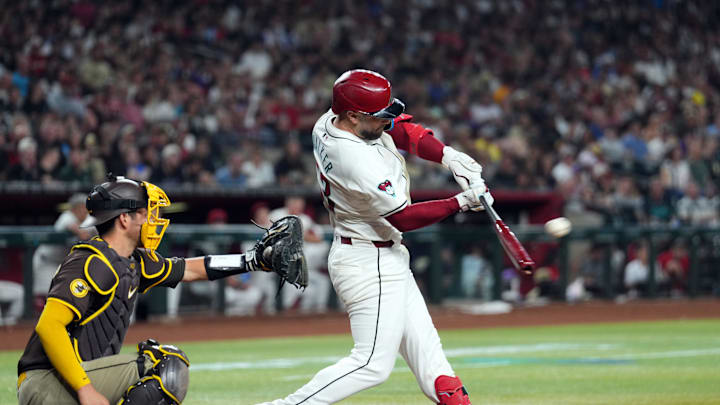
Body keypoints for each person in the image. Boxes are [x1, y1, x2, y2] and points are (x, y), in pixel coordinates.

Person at [260, 69, 492, 405]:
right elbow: (404, 218)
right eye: (378, 116)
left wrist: (448, 155)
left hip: (383, 254)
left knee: (434, 366)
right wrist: (461, 202)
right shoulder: (354, 159)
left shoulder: (332, 119)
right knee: (372, 364)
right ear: (353, 116)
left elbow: (402, 129)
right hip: (369, 262)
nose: (386, 122)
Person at [17, 176, 305, 405]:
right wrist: (86, 390)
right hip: (46, 383)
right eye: (143, 212)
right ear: (123, 219)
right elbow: (49, 326)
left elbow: (191, 269)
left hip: (73, 378)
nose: (151, 219)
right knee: (164, 364)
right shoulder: (91, 259)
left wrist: (253, 261)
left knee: (165, 365)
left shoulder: (132, 262)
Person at [32, 193, 94, 307]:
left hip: (62, 264)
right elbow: (82, 234)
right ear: (75, 208)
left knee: (64, 295)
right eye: (83, 208)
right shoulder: (67, 216)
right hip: (46, 262)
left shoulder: (88, 219)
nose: (85, 211)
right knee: (47, 295)